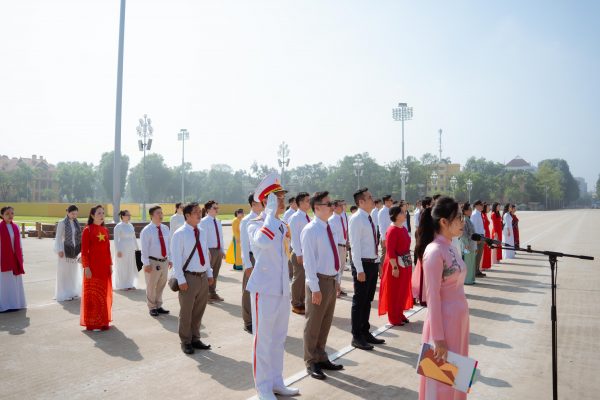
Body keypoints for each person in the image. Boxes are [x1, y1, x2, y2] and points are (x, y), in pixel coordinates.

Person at [246, 173, 299, 400]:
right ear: (267, 201)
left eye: (282, 197)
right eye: (277, 197)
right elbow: (262, 242)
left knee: (278, 338)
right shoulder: (254, 224)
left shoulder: (282, 225)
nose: (282, 201)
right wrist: (268, 214)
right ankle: (264, 388)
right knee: (263, 340)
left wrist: (273, 218)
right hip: (264, 289)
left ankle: (277, 382)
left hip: (281, 288)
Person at [415, 196, 469, 400]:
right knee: (441, 383)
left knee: (457, 378)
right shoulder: (434, 251)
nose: (462, 222)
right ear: (444, 222)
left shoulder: (451, 246)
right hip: (444, 324)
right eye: (458, 217)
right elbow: (433, 297)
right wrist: (438, 338)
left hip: (458, 322)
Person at [301, 191, 344, 380]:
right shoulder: (310, 230)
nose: (332, 206)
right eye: (328, 204)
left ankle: (321, 356)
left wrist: (337, 279)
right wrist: (315, 288)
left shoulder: (329, 227)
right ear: (317, 208)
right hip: (318, 281)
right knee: (313, 324)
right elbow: (309, 262)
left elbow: (332, 255)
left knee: (325, 322)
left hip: (331, 280)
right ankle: (311, 361)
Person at [171, 202, 214, 355]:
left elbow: (206, 254)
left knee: (198, 311)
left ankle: (195, 338)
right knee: (186, 312)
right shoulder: (180, 234)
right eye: (195, 212)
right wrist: (181, 279)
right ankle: (186, 341)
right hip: (188, 278)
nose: (199, 214)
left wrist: (209, 273)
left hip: (202, 277)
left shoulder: (202, 231)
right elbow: (176, 259)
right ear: (187, 215)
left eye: (199, 211)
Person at [349, 187, 385, 350]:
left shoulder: (369, 218)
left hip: (371, 263)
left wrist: (377, 263)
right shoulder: (356, 219)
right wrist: (359, 269)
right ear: (361, 201)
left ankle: (365, 331)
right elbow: (355, 247)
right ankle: (357, 336)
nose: (373, 199)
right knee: (359, 301)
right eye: (369, 197)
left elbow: (372, 244)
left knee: (368, 300)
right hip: (362, 264)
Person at [378, 203, 413, 326]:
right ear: (396, 216)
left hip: (405, 262)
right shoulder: (392, 230)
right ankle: (393, 317)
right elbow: (390, 251)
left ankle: (399, 313)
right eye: (402, 212)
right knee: (395, 291)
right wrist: (395, 267)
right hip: (396, 264)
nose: (405, 214)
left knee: (402, 290)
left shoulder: (403, 228)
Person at [80, 205, 112, 331]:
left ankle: (103, 321)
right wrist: (86, 267)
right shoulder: (87, 230)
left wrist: (110, 265)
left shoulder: (105, 230)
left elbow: (108, 250)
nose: (101, 215)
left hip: (104, 267)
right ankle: (93, 322)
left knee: (103, 294)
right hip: (93, 267)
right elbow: (84, 251)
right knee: (93, 294)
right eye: (99, 213)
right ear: (92, 215)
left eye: (103, 213)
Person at [140, 206, 171, 317]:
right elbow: (144, 249)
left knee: (161, 284)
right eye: (158, 213)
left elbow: (168, 245)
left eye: (161, 213)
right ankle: (152, 307)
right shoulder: (146, 230)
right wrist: (146, 264)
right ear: (151, 215)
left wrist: (170, 259)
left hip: (164, 261)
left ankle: (158, 305)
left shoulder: (165, 228)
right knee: (151, 285)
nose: (161, 215)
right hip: (152, 262)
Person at [240, 193, 264, 334]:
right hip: (252, 258)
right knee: (248, 291)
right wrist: (247, 264)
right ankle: (248, 321)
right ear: (253, 204)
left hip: (262, 258)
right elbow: (244, 245)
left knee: (261, 290)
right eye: (261, 201)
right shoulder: (247, 220)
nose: (263, 203)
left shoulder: (263, 218)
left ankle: (259, 318)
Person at [288, 191, 311, 315]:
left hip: (306, 253)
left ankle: (302, 301)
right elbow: (294, 237)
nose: (309, 203)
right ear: (300, 203)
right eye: (307, 201)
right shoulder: (295, 217)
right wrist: (298, 254)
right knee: (298, 279)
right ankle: (296, 303)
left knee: (303, 279)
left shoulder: (307, 217)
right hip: (299, 253)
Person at [0, 206, 26, 312]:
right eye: (7, 214)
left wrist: (21, 255)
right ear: (2, 215)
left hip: (15, 258)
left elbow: (19, 243)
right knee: (5, 281)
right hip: (3, 258)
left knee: (14, 281)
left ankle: (15, 304)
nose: (10, 216)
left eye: (12, 213)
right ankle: (5, 304)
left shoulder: (16, 227)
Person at [54, 205, 82, 301]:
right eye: (72, 213)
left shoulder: (76, 223)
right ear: (68, 212)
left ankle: (73, 292)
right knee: (65, 271)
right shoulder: (62, 223)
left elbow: (78, 237)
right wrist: (59, 250)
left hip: (75, 249)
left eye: (76, 214)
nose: (74, 215)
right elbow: (58, 237)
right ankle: (64, 293)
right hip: (65, 249)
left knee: (73, 271)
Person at [200, 200, 226, 302]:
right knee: (207, 273)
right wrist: (206, 252)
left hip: (218, 250)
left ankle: (212, 293)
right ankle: (205, 295)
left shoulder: (218, 221)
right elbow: (203, 239)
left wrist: (222, 250)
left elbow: (221, 237)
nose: (217, 210)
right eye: (214, 208)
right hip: (209, 251)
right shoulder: (203, 222)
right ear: (208, 210)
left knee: (215, 273)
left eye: (217, 208)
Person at [412, 196, 432, 306]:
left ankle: (423, 296)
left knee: (423, 275)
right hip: (427, 254)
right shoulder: (431, 231)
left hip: (423, 252)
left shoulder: (421, 231)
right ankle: (424, 297)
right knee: (426, 276)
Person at [113, 210, 139, 290]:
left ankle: (130, 284)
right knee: (122, 266)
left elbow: (134, 237)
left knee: (130, 266)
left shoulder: (131, 225)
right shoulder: (118, 226)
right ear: (123, 216)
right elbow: (116, 240)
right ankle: (122, 285)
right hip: (122, 248)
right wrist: (118, 251)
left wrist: (137, 248)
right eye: (127, 215)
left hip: (131, 249)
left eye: (129, 215)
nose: (129, 216)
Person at [328, 199, 348, 297]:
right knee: (337, 268)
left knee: (341, 268)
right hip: (337, 246)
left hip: (343, 246)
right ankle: (336, 289)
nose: (342, 207)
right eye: (340, 205)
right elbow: (332, 237)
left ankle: (338, 287)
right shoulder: (332, 219)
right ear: (334, 207)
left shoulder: (342, 218)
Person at [460, 203, 477, 285]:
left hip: (472, 244)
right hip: (467, 245)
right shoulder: (464, 220)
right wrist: (466, 244)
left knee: (472, 262)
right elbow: (463, 234)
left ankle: (471, 279)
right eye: (469, 209)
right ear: (465, 211)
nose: (471, 211)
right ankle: (467, 280)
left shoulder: (468, 219)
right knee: (468, 262)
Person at [470, 200, 486, 278]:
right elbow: (474, 227)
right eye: (480, 205)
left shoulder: (479, 214)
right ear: (476, 205)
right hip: (478, 237)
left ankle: (477, 270)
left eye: (482, 205)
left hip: (481, 236)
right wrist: (477, 239)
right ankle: (475, 271)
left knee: (479, 255)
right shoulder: (474, 214)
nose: (482, 206)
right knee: (477, 255)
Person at [481, 203, 492, 270]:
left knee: (487, 249)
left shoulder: (485, 215)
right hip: (485, 233)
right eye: (488, 207)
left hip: (487, 233)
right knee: (485, 249)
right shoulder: (482, 215)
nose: (489, 209)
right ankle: (483, 265)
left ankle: (486, 265)